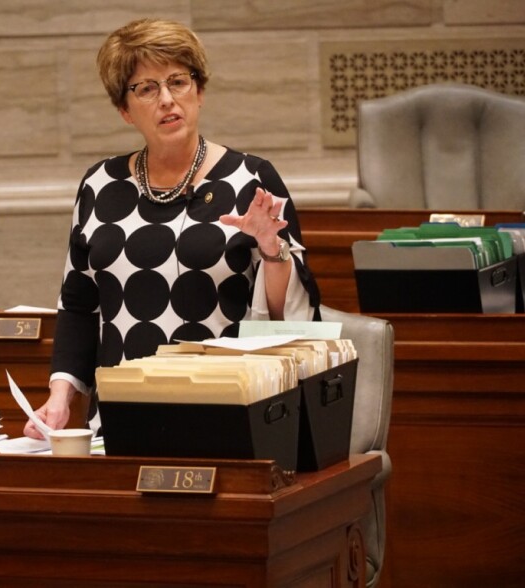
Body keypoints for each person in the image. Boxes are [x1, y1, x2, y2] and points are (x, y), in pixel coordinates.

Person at [24, 18, 320, 439]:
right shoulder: (99, 185)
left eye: (178, 82)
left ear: (199, 91)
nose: (166, 99)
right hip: (120, 417)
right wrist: (60, 396)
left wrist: (272, 251)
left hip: (228, 412)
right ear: (125, 111)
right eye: (146, 88)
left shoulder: (251, 179)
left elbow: (286, 319)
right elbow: (79, 304)